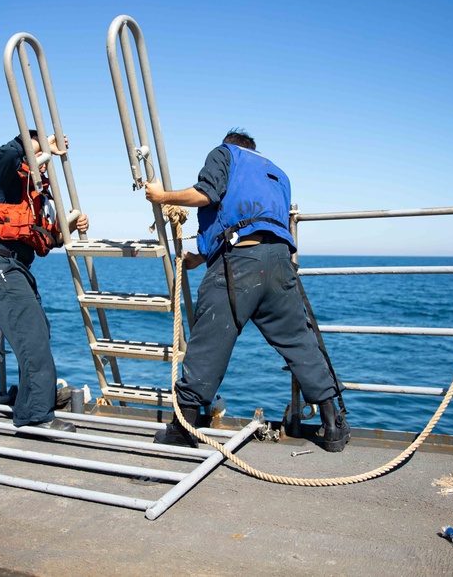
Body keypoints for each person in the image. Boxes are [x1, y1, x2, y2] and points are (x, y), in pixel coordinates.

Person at [144, 128, 350, 451]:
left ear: (231, 145)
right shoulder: (277, 174)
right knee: (300, 340)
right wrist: (200, 257)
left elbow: (206, 194)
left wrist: (163, 197)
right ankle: (333, 423)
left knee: (208, 341)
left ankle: (182, 429)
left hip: (239, 266)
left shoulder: (225, 154)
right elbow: (256, 223)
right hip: (281, 262)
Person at [0, 129, 88, 433]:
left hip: (15, 267)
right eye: (38, 155)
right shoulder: (5, 177)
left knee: (37, 332)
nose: (43, 162)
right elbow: (8, 153)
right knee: (31, 334)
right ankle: (35, 415)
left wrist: (69, 227)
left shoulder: (35, 198)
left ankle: (27, 402)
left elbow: (46, 242)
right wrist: (41, 143)